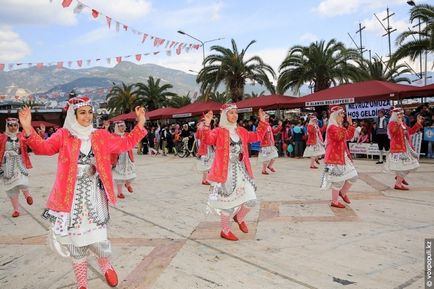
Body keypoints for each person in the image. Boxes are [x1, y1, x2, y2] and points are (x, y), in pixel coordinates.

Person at [18, 96, 147, 289]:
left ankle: (105, 264)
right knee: (75, 239)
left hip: (94, 192)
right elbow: (44, 148)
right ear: (73, 114)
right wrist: (28, 129)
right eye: (82, 112)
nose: (87, 116)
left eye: (89, 112)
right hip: (70, 195)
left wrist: (141, 123)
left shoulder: (100, 135)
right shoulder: (63, 135)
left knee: (98, 234)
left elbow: (124, 144)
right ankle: (82, 283)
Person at [200, 103, 267, 241]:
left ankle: (240, 217)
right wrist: (207, 124)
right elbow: (207, 139)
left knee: (252, 200)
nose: (234, 115)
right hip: (225, 172)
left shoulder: (241, 131)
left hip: (241, 170)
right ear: (225, 115)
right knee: (228, 204)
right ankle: (225, 230)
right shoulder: (219, 131)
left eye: (236, 112)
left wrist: (263, 121)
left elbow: (257, 136)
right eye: (231, 112)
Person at [320, 106, 357, 209]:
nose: (343, 116)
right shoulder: (332, 127)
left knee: (354, 176)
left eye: (343, 114)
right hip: (334, 157)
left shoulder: (339, 126)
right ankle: (334, 201)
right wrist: (344, 126)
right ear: (335, 115)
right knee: (338, 180)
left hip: (342, 155)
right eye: (341, 114)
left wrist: (350, 126)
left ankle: (343, 192)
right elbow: (339, 137)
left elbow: (348, 136)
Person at [0, 117, 33, 218]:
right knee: (11, 188)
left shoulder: (21, 136)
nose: (13, 127)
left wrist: (41, 133)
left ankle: (27, 195)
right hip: (7, 164)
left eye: (15, 125)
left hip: (19, 162)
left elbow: (31, 142)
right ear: (7, 126)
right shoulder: (2, 137)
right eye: (11, 125)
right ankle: (16, 210)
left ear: (18, 126)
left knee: (21, 180)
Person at [385, 107, 423, 190]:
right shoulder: (391, 123)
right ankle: (398, 183)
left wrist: (418, 123)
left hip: (405, 147)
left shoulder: (402, 123)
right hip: (397, 149)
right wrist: (398, 124)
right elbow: (393, 133)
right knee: (405, 166)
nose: (402, 115)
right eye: (400, 114)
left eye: (402, 114)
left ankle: (399, 178)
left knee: (409, 165)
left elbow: (410, 131)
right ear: (395, 115)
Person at [111, 120, 137, 199]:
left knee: (130, 172)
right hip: (118, 158)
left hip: (127, 156)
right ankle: (119, 193)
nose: (123, 128)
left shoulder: (127, 135)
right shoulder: (113, 136)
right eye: (121, 126)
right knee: (119, 175)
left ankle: (128, 184)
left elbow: (133, 140)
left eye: (123, 126)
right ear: (117, 127)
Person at [195, 118, 215, 185]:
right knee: (207, 163)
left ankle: (206, 179)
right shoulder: (205, 128)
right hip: (206, 147)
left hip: (204, 148)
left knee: (207, 163)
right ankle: (205, 180)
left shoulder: (200, 129)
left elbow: (197, 137)